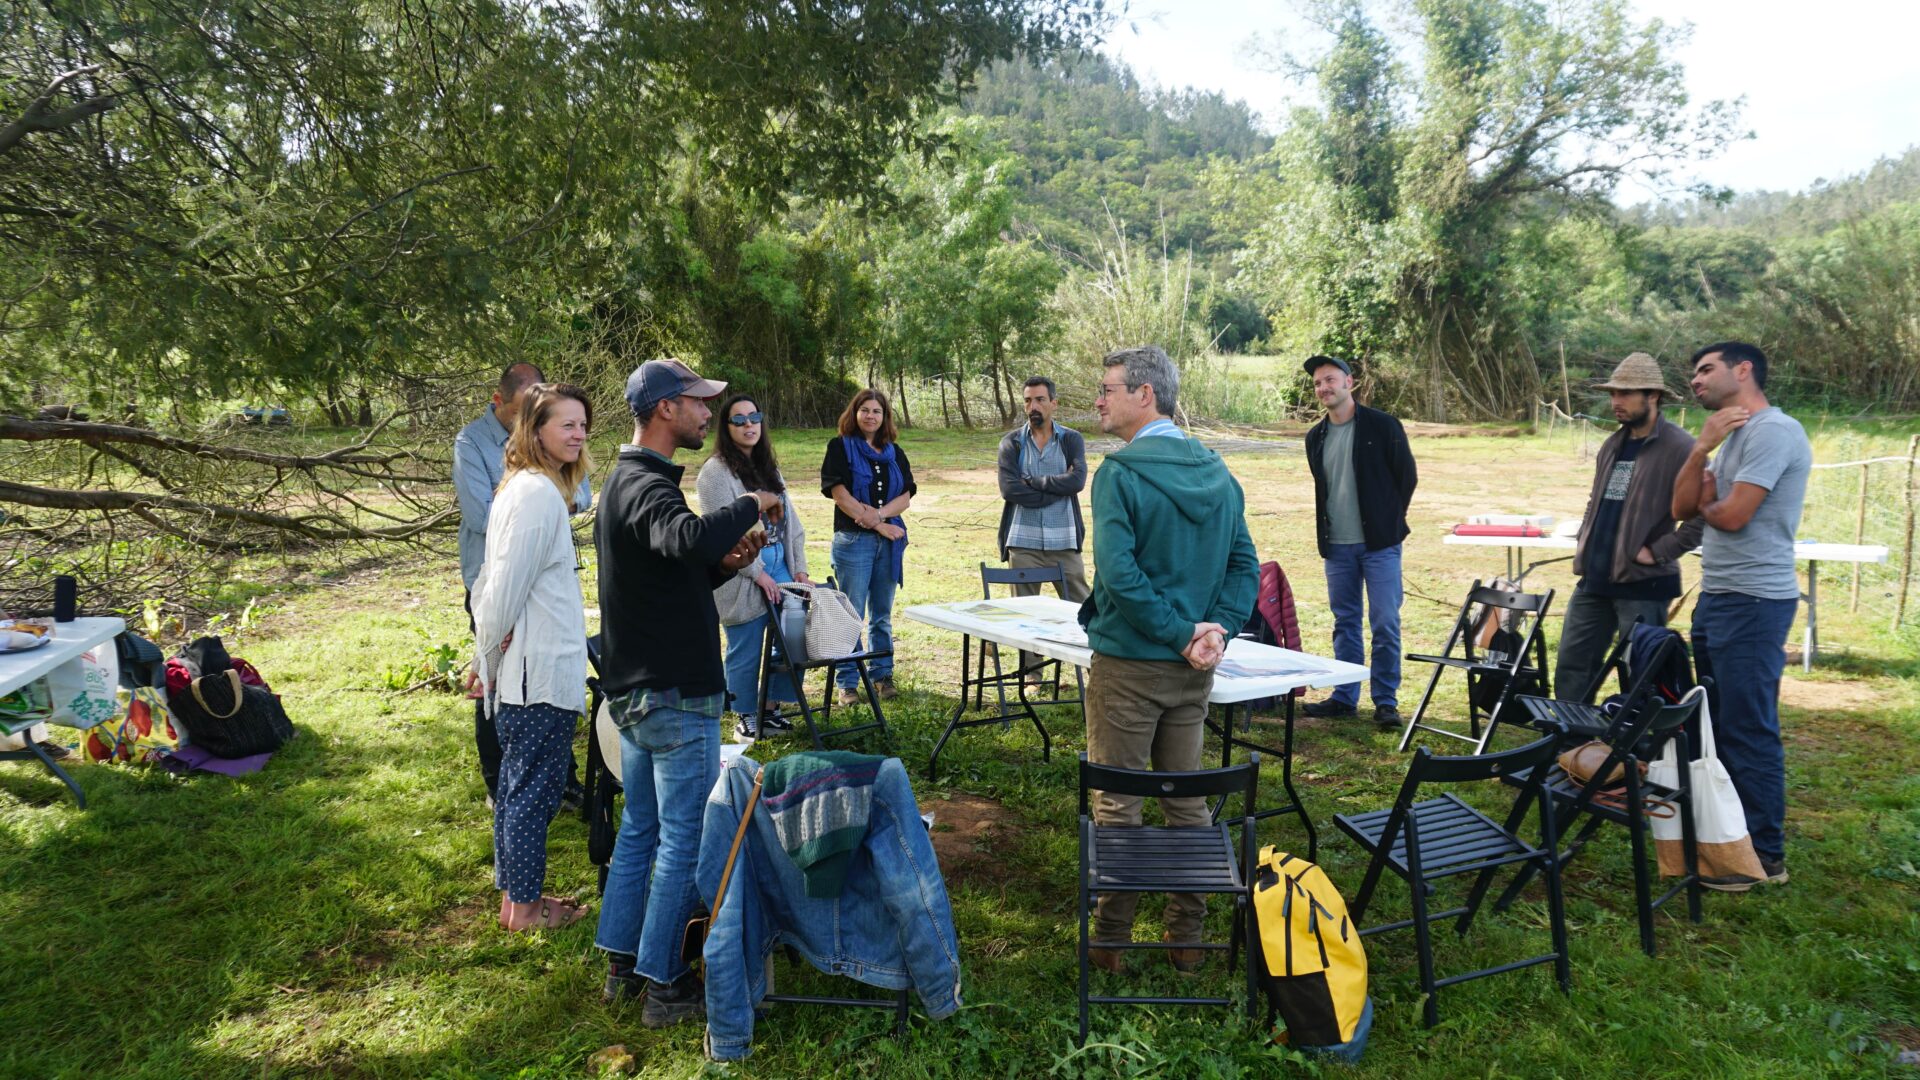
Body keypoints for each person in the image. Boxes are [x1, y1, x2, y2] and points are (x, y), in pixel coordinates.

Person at [594, 359, 779, 1027]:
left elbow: (666, 572)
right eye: (700, 404)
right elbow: (686, 534)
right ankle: (665, 985)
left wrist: (722, 566)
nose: (710, 414)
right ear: (667, 409)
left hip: (642, 690)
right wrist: (748, 506)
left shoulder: (630, 481)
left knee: (640, 829)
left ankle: (622, 961)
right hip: (673, 695)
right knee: (679, 837)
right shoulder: (647, 484)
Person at [1079, 344, 1258, 973]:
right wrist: (1218, 633)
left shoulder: (1120, 474)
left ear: (1145, 394)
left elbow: (1120, 578)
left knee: (1119, 801)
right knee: (1186, 800)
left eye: (1108, 389)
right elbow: (1245, 567)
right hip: (1192, 670)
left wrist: (1186, 634)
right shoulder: (1217, 471)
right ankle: (1188, 939)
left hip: (1131, 665)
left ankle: (1110, 944)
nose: (1098, 399)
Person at [1672, 340, 1810, 892]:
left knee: (1748, 728)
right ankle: (1730, 844)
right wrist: (1699, 449)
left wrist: (1708, 498)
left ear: (1743, 370)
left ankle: (1764, 857)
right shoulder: (1726, 440)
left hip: (1755, 601)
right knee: (1720, 724)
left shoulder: (1774, 431)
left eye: (1706, 370)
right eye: (1695, 373)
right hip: (1721, 596)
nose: (1697, 381)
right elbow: (1681, 509)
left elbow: (1728, 516)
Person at [468, 383, 595, 931]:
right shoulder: (537, 495)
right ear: (534, 429)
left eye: (583, 424)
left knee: (520, 788)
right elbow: (497, 593)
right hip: (535, 673)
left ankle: (515, 901)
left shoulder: (528, 488)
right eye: (565, 424)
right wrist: (487, 665)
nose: (578, 433)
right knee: (530, 795)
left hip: (533, 668)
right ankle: (524, 910)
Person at [453, 362, 591, 807]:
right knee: (493, 681)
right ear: (504, 405)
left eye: (580, 426)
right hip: (492, 582)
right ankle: (501, 785)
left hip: (542, 582)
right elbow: (481, 515)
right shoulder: (473, 444)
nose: (575, 434)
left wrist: (546, 503)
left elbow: (582, 494)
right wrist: (537, 507)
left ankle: (555, 781)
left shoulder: (544, 478)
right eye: (520, 413)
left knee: (540, 695)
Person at [1555, 353, 1705, 701]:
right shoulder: (1612, 444)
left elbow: (1701, 515)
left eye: (1625, 394)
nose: (1615, 402)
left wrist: (1659, 551)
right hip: (1594, 578)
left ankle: (1642, 751)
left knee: (1642, 674)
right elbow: (1597, 500)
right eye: (1613, 394)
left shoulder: (1682, 448)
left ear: (1652, 396)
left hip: (1644, 584)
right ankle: (1568, 748)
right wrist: (1585, 541)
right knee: (1573, 666)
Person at [1300, 355, 1417, 731]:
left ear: (1350, 382)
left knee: (1385, 621)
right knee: (1345, 622)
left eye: (1330, 380)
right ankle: (1345, 697)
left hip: (1380, 544)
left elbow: (1406, 478)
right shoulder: (1315, 437)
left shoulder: (1383, 426)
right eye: (1318, 383)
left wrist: (1387, 521)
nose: (1324, 388)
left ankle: (1385, 701)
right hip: (1337, 547)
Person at [697, 396, 812, 740]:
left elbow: (791, 523)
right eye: (739, 420)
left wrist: (800, 569)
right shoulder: (715, 473)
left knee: (793, 639)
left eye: (754, 418)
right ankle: (745, 714)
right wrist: (756, 574)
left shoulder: (768, 467)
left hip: (781, 566)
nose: (749, 425)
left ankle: (771, 708)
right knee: (745, 645)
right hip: (743, 572)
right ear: (726, 427)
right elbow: (723, 533)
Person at [820, 388, 915, 704]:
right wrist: (878, 524)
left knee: (882, 615)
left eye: (877, 411)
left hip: (888, 544)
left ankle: (882, 675)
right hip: (853, 542)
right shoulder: (839, 447)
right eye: (865, 410)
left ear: (884, 416)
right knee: (851, 613)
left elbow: (906, 495)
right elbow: (840, 494)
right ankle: (847, 683)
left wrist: (879, 516)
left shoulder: (894, 452)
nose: (870, 416)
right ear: (854, 413)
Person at [996, 375, 1089, 684]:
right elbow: (1010, 490)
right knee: (1024, 612)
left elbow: (1077, 482)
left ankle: (1095, 665)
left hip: (1064, 540)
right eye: (1027, 400)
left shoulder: (1071, 440)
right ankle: (1032, 675)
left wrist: (1034, 482)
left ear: (1053, 403)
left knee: (1083, 606)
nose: (1032, 406)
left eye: (1038, 399)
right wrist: (1057, 487)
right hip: (1024, 540)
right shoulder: (1012, 442)